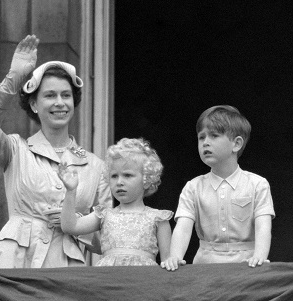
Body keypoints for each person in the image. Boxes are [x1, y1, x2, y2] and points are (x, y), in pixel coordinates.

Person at [0, 35, 111, 268]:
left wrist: (76, 225)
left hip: (65, 269)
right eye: (50, 95)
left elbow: (110, 237)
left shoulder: (95, 165)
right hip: (15, 263)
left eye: (66, 95)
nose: (60, 103)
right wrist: (12, 80)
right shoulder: (16, 150)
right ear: (34, 105)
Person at [161, 105, 275, 270]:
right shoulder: (193, 187)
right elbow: (183, 228)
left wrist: (260, 256)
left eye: (214, 136)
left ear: (236, 144)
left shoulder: (258, 184)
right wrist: (175, 257)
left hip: (247, 266)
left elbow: (263, 225)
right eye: (201, 137)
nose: (206, 142)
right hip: (205, 267)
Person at [58, 138, 173, 266]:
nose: (119, 182)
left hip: (143, 283)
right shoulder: (104, 215)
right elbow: (70, 226)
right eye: (114, 176)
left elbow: (167, 262)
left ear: (146, 179)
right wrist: (71, 191)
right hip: (108, 282)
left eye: (127, 175)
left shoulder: (158, 218)